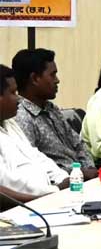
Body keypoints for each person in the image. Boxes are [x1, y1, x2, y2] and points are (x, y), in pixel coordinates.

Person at [12, 48, 98, 179]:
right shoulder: (21, 117)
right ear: (34, 78)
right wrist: (79, 174)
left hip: (81, 178)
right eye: (52, 75)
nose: (57, 80)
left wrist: (89, 169)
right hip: (62, 184)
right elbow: (33, 166)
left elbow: (79, 144)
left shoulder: (51, 109)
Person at [0, 64, 69, 198]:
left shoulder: (9, 122)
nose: (18, 99)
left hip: (48, 194)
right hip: (27, 203)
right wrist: (53, 191)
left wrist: (63, 178)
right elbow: (9, 182)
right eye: (13, 93)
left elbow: (35, 156)